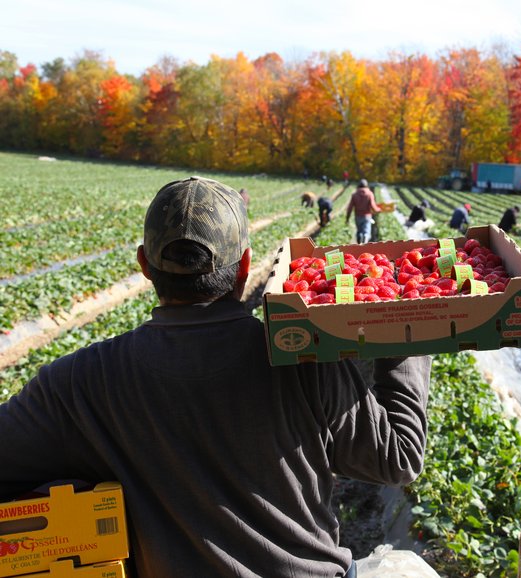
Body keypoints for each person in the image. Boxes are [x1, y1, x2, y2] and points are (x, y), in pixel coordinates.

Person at [0, 176, 432, 578]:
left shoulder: (78, 384)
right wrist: (405, 334)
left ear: (144, 265)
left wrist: (77, 490)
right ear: (245, 266)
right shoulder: (303, 358)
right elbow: (399, 458)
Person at [345, 179, 382, 244]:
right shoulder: (369, 194)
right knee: (366, 231)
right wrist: (378, 210)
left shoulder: (355, 194)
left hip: (358, 216)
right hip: (367, 216)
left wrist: (347, 218)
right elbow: (372, 205)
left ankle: (359, 237)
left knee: (359, 230)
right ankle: (365, 239)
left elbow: (350, 207)